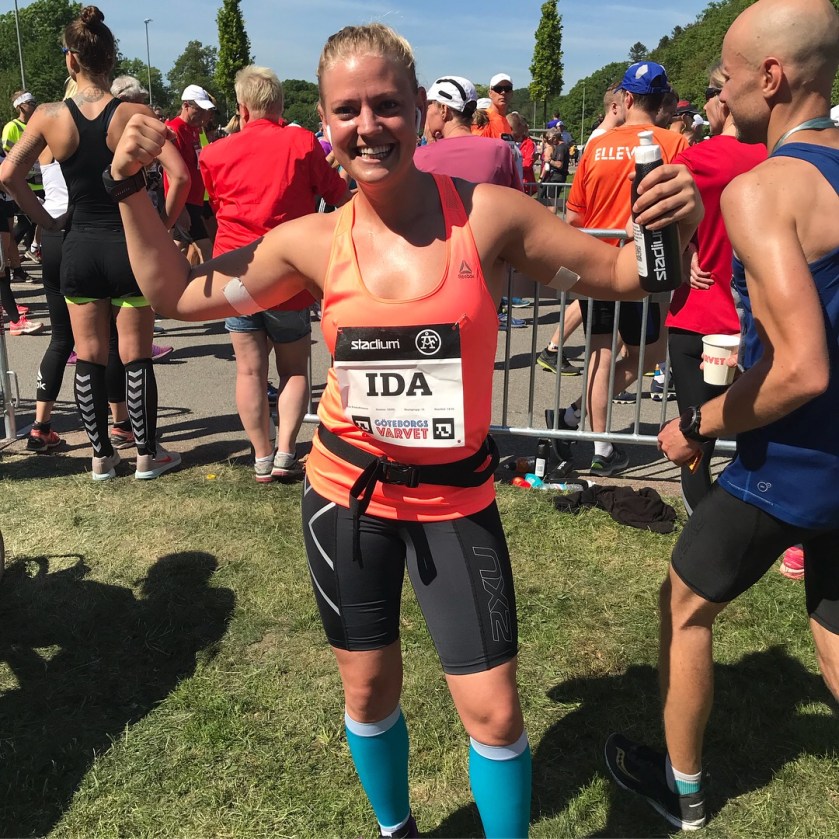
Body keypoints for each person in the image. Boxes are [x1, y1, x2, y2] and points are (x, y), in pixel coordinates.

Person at [107, 22, 701, 837]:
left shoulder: (487, 217)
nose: (368, 126)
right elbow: (177, 295)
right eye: (346, 110)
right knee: (367, 691)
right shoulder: (309, 242)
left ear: (419, 107)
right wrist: (126, 188)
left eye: (385, 105)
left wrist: (671, 225)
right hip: (345, 500)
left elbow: (624, 274)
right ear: (324, 120)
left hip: (455, 503)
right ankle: (396, 829)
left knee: (493, 711)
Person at [604, 0, 839, 831]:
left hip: (796, 461)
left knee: (683, 605)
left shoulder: (762, 189)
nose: (716, 88)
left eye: (726, 74)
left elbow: (801, 366)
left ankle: (684, 793)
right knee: (831, 624)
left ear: (769, 78)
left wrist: (699, 423)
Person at [0, 5, 189, 480]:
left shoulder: (47, 116)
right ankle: (146, 455)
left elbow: (9, 175)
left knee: (87, 353)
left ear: (70, 60)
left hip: (78, 243)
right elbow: (182, 176)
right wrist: (161, 226)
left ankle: (100, 457)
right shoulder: (133, 113)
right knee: (136, 353)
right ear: (111, 58)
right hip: (128, 246)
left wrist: (46, 221)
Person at [198, 64, 349, 482]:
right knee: (294, 369)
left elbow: (215, 205)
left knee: (249, 371)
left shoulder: (214, 153)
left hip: (237, 273)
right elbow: (336, 194)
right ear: (280, 104)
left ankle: (261, 456)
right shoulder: (301, 142)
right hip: (289, 276)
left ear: (243, 108)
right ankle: (285, 452)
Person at [559, 60, 687, 476]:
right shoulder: (674, 143)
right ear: (662, 100)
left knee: (602, 351)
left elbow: (574, 217)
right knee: (648, 352)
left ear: (627, 99)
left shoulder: (596, 145)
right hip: (641, 268)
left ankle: (583, 426)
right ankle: (597, 442)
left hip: (595, 262)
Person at [665, 64, 766, 514]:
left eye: (709, 92)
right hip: (759, 319)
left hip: (700, 314)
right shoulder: (776, 157)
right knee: (761, 432)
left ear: (724, 99)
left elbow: (643, 229)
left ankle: (703, 527)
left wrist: (683, 252)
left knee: (695, 434)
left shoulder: (694, 160)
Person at [166, 84, 215, 262]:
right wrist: (180, 209)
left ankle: (171, 276)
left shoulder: (194, 129)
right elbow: (170, 173)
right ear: (186, 106)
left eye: (204, 110)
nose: (202, 115)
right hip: (184, 201)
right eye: (198, 110)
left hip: (194, 199)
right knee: (205, 250)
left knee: (179, 248)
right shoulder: (173, 130)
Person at [2, 91, 40, 279]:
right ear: (20, 106)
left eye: (34, 102)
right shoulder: (12, 127)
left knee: (34, 222)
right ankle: (12, 258)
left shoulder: (36, 126)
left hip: (39, 183)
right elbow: (8, 158)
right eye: (30, 102)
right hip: (21, 185)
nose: (34, 105)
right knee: (24, 223)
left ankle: (19, 259)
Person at [472, 73, 513, 139]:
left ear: (511, 93)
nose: (503, 92)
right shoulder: (483, 119)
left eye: (507, 89)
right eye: (498, 89)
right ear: (490, 93)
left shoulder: (506, 123)